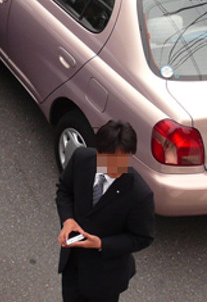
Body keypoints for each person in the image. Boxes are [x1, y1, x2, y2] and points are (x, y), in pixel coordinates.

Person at [56, 120, 154, 302]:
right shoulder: (81, 159)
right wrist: (68, 220)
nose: (116, 168)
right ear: (99, 152)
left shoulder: (139, 194)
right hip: (73, 265)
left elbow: (142, 238)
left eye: (122, 160)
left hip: (105, 278)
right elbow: (64, 191)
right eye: (110, 160)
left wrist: (101, 243)